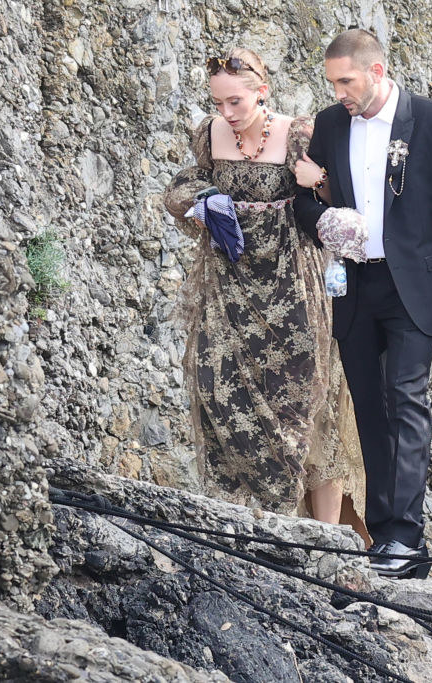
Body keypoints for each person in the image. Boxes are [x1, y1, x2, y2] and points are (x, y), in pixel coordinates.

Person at [294, 30, 432, 578]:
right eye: (332, 82)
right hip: (353, 286)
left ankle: (404, 538)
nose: (338, 92)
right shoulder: (332, 123)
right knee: (369, 410)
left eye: (347, 81)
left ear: (377, 71)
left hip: (416, 286)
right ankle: (386, 537)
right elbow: (304, 201)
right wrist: (324, 221)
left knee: (405, 401)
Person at [163, 48, 368, 540]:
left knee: (305, 402)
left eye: (236, 102)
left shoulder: (299, 133)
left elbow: (340, 196)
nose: (227, 113)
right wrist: (202, 200)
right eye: (218, 103)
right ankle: (244, 527)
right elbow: (179, 190)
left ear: (262, 90)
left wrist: (314, 180)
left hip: (291, 288)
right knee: (220, 392)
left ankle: (325, 540)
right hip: (227, 288)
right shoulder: (208, 136)